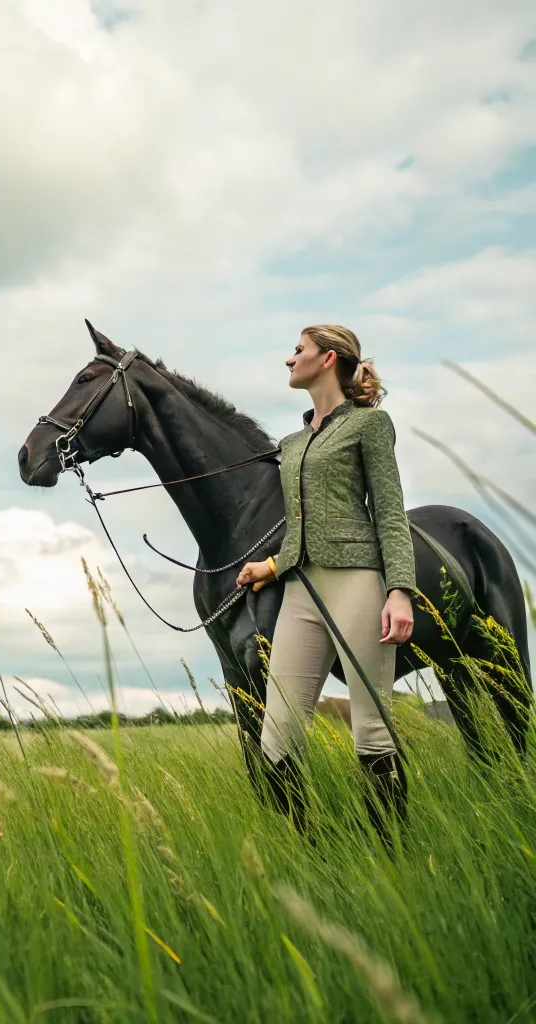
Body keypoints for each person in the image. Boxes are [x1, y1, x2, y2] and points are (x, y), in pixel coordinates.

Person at [236, 324, 415, 846]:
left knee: (372, 731)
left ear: (328, 358)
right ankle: (310, 849)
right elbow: (300, 524)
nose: (289, 359)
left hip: (358, 582)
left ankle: (391, 856)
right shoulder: (291, 443)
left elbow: (389, 511)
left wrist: (398, 588)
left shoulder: (369, 426)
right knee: (277, 734)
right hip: (300, 592)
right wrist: (271, 567)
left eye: (298, 351)